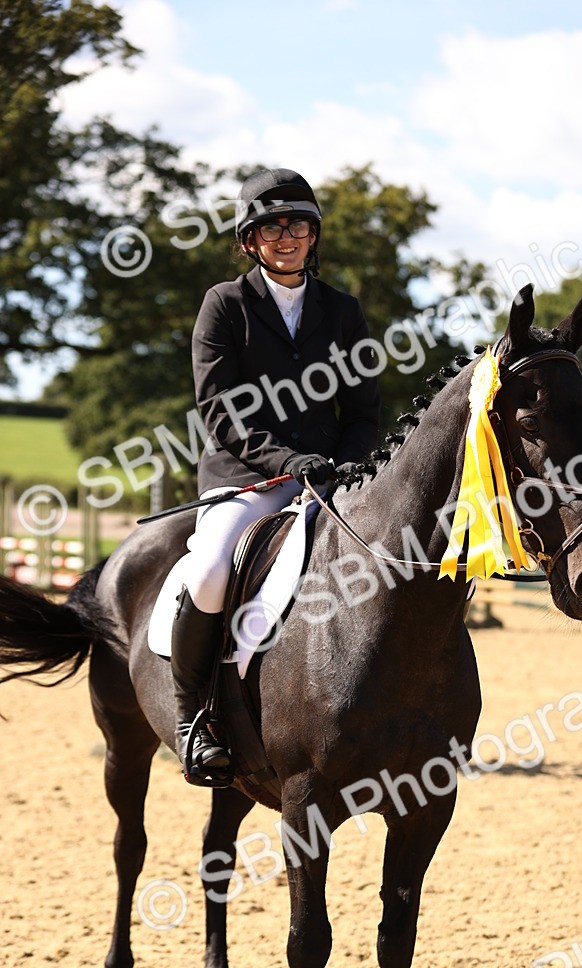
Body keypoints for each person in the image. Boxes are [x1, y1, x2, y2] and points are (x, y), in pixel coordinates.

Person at [171, 167, 381, 786]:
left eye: (296, 225)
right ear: (250, 241)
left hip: (330, 482)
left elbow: (363, 410)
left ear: (313, 235)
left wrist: (348, 467)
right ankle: (194, 718)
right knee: (211, 570)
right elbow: (220, 409)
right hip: (247, 476)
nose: (285, 236)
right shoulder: (224, 305)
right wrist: (286, 463)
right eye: (270, 227)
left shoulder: (343, 311)